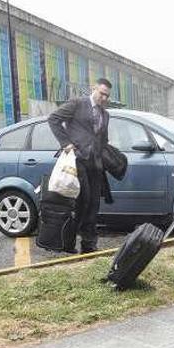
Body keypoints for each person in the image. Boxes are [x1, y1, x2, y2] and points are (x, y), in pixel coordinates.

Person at [49, 77, 112, 254]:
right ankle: (68, 243)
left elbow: (103, 138)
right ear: (94, 89)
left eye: (107, 96)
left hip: (95, 165)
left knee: (93, 204)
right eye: (102, 94)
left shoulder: (105, 114)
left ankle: (89, 245)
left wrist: (105, 154)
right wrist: (66, 143)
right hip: (77, 162)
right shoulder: (77, 103)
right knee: (81, 203)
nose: (104, 98)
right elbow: (53, 119)